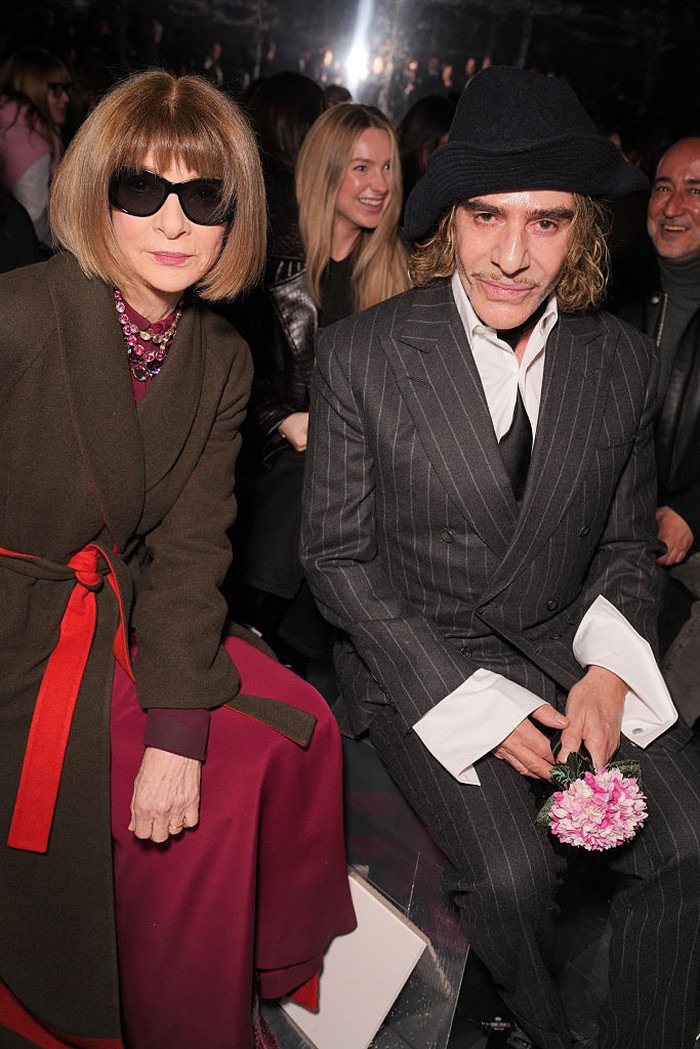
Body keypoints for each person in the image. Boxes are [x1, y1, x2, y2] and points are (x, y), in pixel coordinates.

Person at [301, 67, 700, 1049]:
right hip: (418, 657)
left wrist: (610, 671)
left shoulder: (621, 364)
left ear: (583, 230)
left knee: (688, 838)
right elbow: (337, 558)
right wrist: (473, 703)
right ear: (448, 219)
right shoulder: (364, 354)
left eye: (548, 222)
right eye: (487, 216)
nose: (514, 256)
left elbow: (621, 544)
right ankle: (540, 1026)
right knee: (516, 873)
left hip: (569, 644)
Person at [0, 69, 355, 1049]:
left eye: (204, 196)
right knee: (221, 788)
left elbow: (194, 547)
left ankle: (256, 978)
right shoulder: (22, 315)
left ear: (235, 213)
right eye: (140, 189)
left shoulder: (218, 357)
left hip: (106, 618)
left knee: (293, 724)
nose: (173, 221)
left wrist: (177, 725)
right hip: (12, 647)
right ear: (94, 192)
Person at [231, 102, 409, 667]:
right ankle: (257, 631)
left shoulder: (400, 274)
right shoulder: (266, 258)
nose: (378, 185)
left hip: (361, 465)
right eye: (361, 168)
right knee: (306, 478)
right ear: (325, 169)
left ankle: (266, 636)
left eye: (387, 169)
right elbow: (228, 373)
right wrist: (281, 420)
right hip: (269, 456)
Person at [613, 136, 700, 726]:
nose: (672, 206)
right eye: (663, 186)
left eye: (696, 190)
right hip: (618, 507)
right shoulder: (610, 287)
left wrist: (693, 511)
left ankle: (645, 754)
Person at [0, 48, 71, 247]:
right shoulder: (31, 143)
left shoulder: (11, 123)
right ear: (34, 88)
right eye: (56, 89)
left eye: (67, 88)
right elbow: (34, 221)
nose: (65, 98)